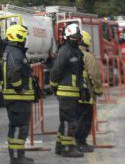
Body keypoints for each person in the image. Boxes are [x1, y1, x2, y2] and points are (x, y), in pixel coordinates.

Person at [1, 24, 35, 164]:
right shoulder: (15, 53)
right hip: (17, 98)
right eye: (24, 37)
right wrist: (20, 88)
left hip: (18, 98)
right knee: (17, 127)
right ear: (18, 36)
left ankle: (19, 155)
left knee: (20, 127)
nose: (25, 40)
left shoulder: (13, 51)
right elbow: (13, 73)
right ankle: (16, 157)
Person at [50, 23, 85, 158]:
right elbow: (56, 70)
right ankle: (67, 148)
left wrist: (82, 88)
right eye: (73, 37)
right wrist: (54, 86)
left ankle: (60, 146)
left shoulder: (77, 52)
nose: (76, 40)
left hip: (73, 92)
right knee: (69, 122)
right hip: (66, 93)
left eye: (77, 37)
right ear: (67, 37)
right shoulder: (65, 51)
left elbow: (79, 73)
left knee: (65, 121)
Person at [76, 30, 103, 153]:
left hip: (71, 94)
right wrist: (98, 90)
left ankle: (72, 143)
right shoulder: (87, 56)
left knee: (75, 119)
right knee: (85, 119)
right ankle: (81, 143)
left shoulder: (69, 53)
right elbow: (94, 75)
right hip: (85, 94)